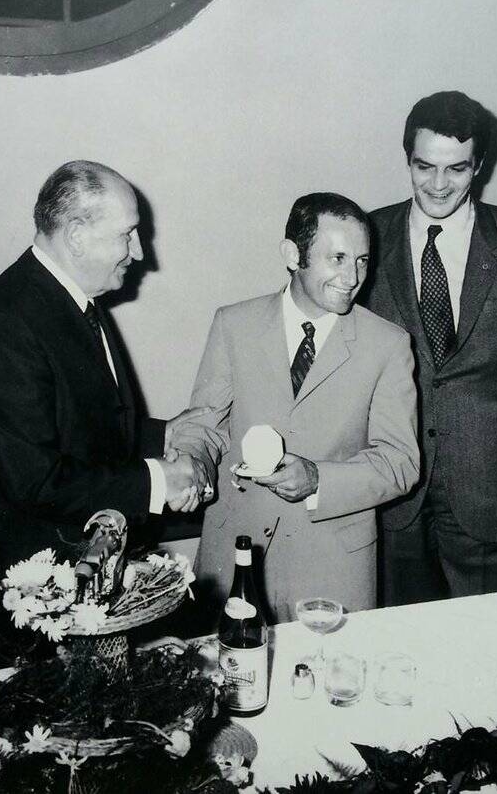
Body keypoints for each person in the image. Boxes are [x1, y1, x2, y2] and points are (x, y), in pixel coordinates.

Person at [0, 160, 209, 675]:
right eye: (127, 234)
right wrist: (158, 480)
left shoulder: (68, 300)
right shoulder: (9, 322)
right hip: (13, 607)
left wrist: (164, 434)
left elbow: (79, 424)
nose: (139, 252)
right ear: (77, 236)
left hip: (64, 588)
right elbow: (34, 479)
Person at [171, 192, 419, 625]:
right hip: (233, 555)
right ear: (292, 255)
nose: (352, 277)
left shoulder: (388, 344)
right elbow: (203, 423)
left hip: (333, 567)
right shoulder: (233, 324)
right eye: (337, 258)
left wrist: (319, 479)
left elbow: (401, 463)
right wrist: (191, 463)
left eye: (362, 260)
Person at [366, 91, 497, 606]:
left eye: (456, 168)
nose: (438, 184)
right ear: (407, 159)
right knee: (400, 637)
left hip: (487, 480)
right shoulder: (369, 236)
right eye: (424, 166)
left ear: (480, 166)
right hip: (393, 483)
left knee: (487, 637)